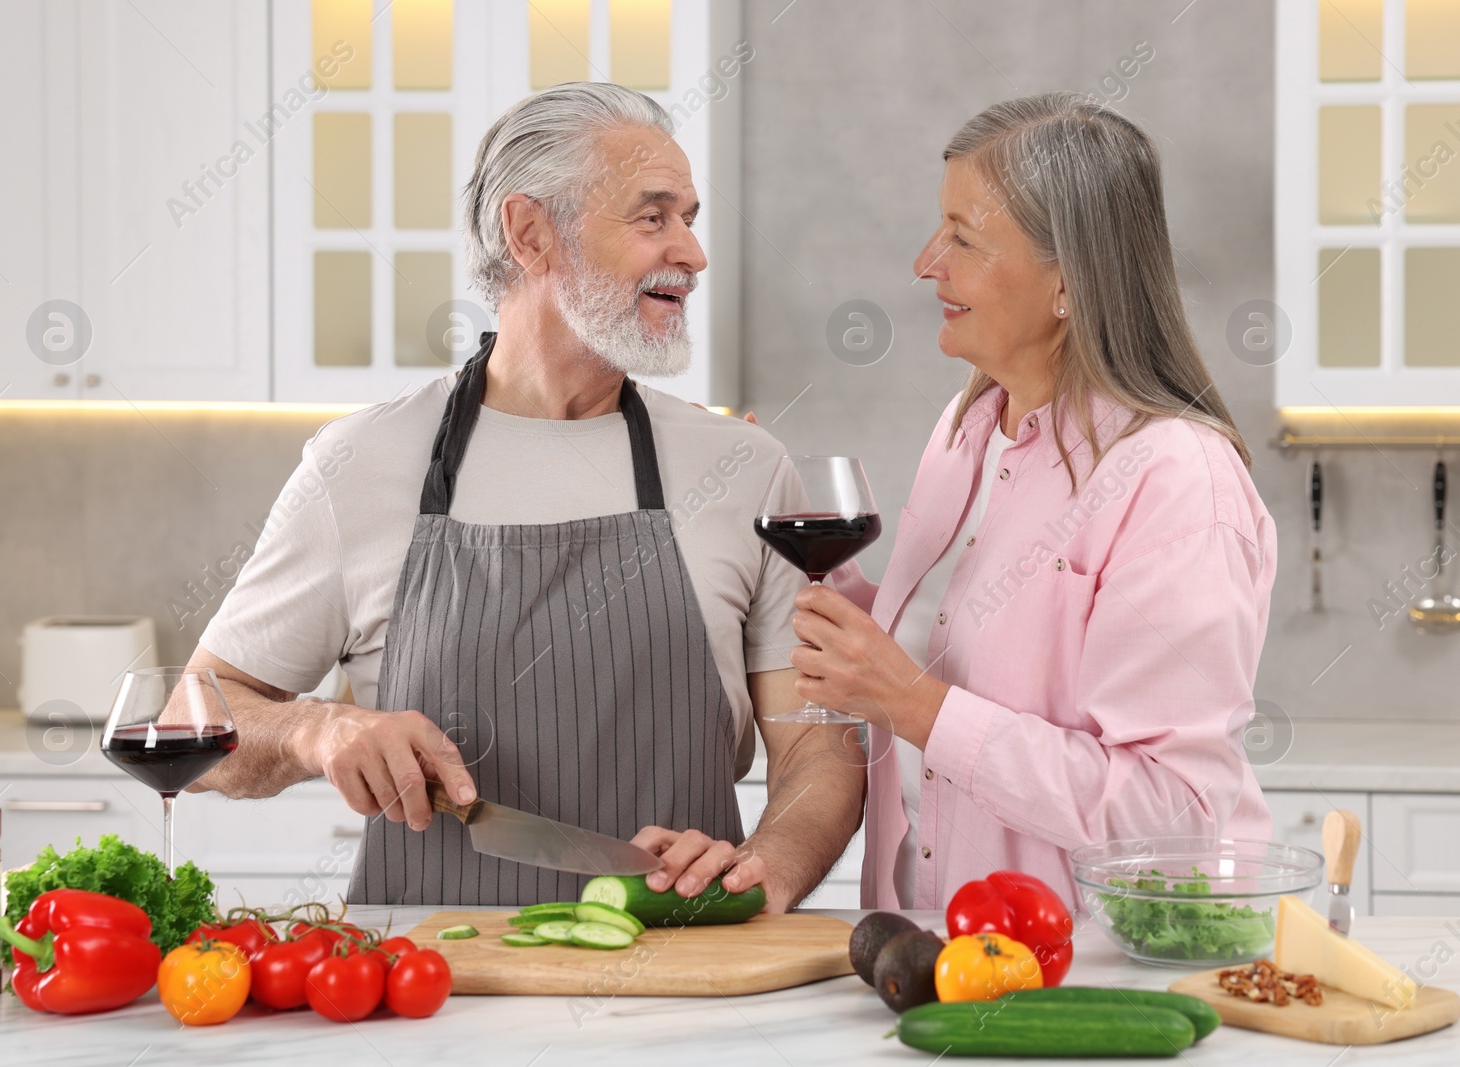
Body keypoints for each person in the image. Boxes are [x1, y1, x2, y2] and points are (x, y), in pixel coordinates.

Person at [187, 82, 864, 909]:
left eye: (689, 216)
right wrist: (313, 728)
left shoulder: (744, 466)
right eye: (654, 218)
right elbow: (199, 723)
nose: (692, 252)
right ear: (531, 232)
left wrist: (766, 867)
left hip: (683, 992)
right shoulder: (361, 462)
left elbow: (818, 754)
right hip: (430, 997)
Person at [789, 91, 1275, 909]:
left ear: (1068, 284)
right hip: (926, 942)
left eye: (965, 239)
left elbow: (1173, 822)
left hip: (1088, 978)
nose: (924, 261)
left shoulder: (1173, 479)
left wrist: (913, 705)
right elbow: (959, 644)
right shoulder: (968, 426)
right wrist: (842, 597)